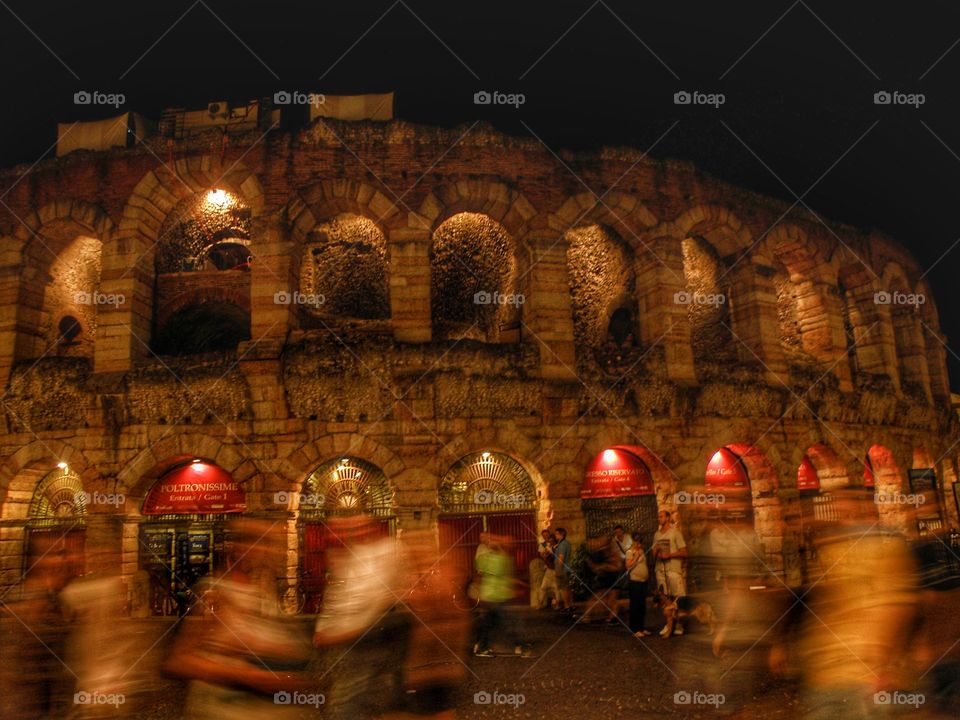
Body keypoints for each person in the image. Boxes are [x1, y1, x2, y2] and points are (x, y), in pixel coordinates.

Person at [474, 535, 531, 657]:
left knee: (489, 623)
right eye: (508, 544)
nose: (511, 546)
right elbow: (505, 577)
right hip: (495, 596)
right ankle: (519, 646)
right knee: (507, 621)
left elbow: (481, 575)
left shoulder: (488, 558)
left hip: (492, 595)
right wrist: (516, 588)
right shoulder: (502, 559)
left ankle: (481, 646)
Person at [653, 510, 687, 635]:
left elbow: (684, 552)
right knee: (665, 598)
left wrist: (669, 555)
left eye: (661, 516)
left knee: (677, 597)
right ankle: (668, 625)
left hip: (673, 569)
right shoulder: (656, 535)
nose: (659, 518)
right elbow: (653, 553)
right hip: (660, 570)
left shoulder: (675, 533)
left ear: (667, 518)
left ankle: (679, 624)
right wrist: (656, 550)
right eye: (658, 516)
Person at [626, 532, 651, 636]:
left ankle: (641, 627)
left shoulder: (641, 550)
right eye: (638, 543)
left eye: (641, 543)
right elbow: (628, 566)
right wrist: (635, 558)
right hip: (635, 581)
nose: (639, 545)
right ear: (634, 542)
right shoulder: (629, 552)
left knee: (642, 605)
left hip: (643, 582)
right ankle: (635, 629)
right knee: (635, 606)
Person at [537, 528, 559, 610]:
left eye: (547, 535)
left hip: (555, 568)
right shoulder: (542, 545)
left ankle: (556, 603)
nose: (546, 537)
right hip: (548, 568)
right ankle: (540, 603)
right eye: (544, 535)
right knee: (544, 587)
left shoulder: (556, 545)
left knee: (555, 587)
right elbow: (542, 556)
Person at [553, 527, 573, 612]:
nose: (555, 535)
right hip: (567, 569)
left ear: (561, 534)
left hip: (562, 570)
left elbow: (561, 558)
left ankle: (566, 606)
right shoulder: (566, 543)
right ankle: (570, 605)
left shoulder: (562, 544)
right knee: (567, 588)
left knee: (564, 589)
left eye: (556, 533)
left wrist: (558, 570)